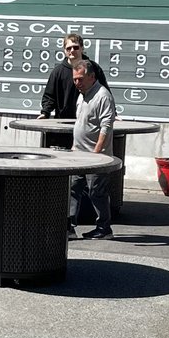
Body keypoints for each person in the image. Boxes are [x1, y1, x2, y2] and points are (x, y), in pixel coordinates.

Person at [68, 59, 117, 240]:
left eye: (80, 79)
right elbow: (81, 122)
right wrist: (74, 148)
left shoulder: (103, 96)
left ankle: (104, 229)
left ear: (92, 77)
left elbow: (106, 126)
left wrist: (97, 154)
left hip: (96, 156)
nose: (77, 83)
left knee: (97, 193)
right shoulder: (82, 94)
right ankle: (69, 228)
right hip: (78, 154)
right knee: (73, 189)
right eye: (75, 79)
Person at [38, 33, 107, 119]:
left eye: (76, 47)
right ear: (64, 50)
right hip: (63, 123)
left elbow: (105, 93)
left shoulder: (94, 69)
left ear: (82, 48)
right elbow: (49, 97)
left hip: (89, 122)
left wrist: (113, 114)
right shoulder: (57, 72)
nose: (72, 50)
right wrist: (45, 113)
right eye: (68, 48)